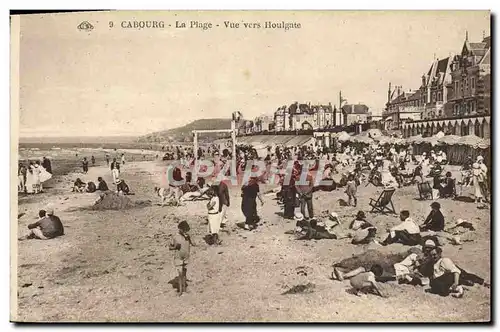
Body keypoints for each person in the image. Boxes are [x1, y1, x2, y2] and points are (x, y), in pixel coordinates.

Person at [169, 220, 194, 295]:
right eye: (185, 231)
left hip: (186, 257)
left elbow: (193, 243)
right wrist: (175, 247)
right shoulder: (175, 237)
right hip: (178, 257)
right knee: (180, 275)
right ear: (180, 229)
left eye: (187, 231)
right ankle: (180, 290)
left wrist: (190, 238)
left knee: (184, 274)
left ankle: (184, 289)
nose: (186, 232)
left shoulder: (187, 236)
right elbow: (170, 247)